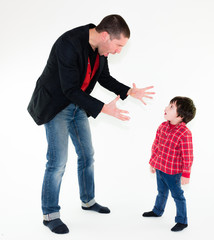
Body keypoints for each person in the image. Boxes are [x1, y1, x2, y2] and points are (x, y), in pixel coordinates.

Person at [27, 14, 154, 234]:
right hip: (57, 105)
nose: (118, 51)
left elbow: (103, 78)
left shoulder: (100, 49)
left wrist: (128, 91)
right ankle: (50, 214)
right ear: (105, 35)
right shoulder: (68, 44)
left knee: (87, 155)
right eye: (118, 45)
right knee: (57, 162)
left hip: (79, 105)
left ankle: (88, 201)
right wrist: (104, 109)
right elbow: (69, 90)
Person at [142, 96, 196, 232]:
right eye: (168, 105)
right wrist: (153, 162)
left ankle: (182, 221)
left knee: (177, 196)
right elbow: (156, 145)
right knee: (161, 192)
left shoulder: (184, 133)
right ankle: (157, 210)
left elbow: (188, 155)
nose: (166, 108)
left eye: (171, 107)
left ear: (181, 115)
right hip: (160, 168)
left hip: (173, 173)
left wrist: (186, 174)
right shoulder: (163, 126)